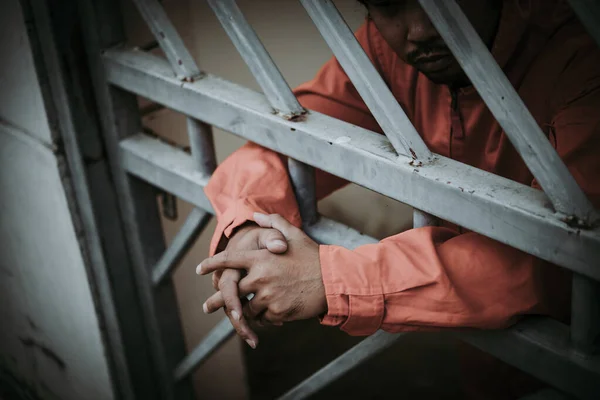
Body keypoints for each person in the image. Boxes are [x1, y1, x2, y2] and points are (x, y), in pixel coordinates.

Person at [196, 0, 600, 397]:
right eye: (389, 6)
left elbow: (568, 255)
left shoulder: (581, 52)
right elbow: (282, 145)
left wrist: (334, 280)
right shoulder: (381, 52)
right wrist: (250, 225)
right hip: (491, 349)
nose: (420, 30)